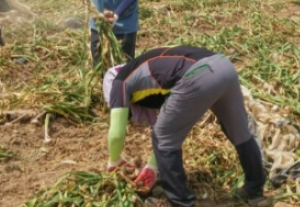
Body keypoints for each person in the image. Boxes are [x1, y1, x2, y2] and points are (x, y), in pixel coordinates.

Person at [103, 46, 267, 207]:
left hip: (199, 74)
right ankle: (255, 190)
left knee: (163, 138)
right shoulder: (150, 71)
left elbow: (118, 134)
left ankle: (179, 201)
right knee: (240, 132)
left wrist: (115, 160)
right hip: (224, 66)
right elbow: (172, 125)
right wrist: (152, 167)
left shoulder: (119, 82)